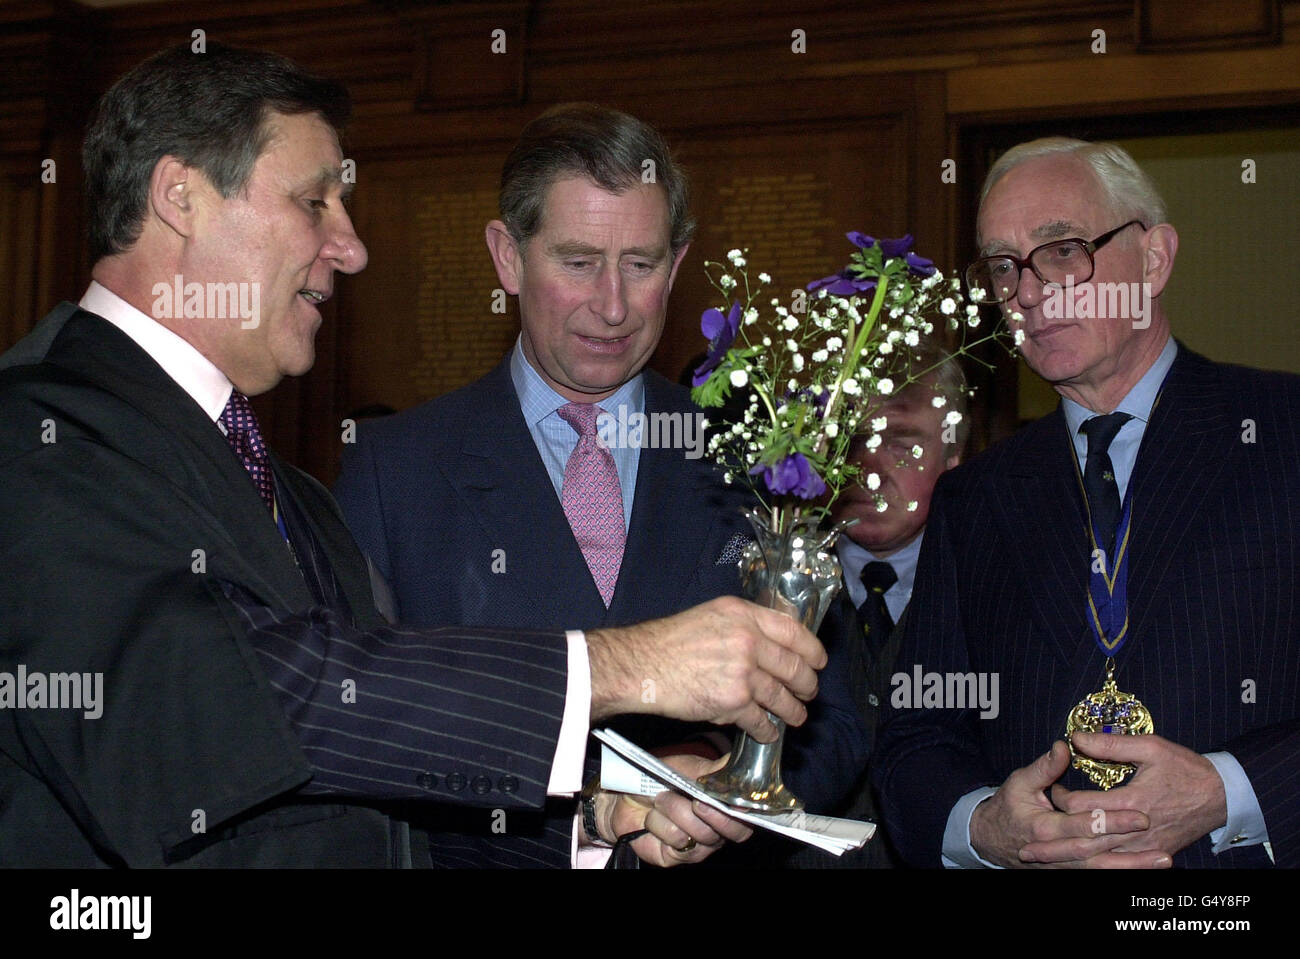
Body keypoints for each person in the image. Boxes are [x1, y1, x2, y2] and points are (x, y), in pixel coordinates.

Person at [0, 43, 828, 867]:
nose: (352, 247)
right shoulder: (39, 433)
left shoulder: (291, 490)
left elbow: (370, 774)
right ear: (180, 195)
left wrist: (601, 816)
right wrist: (623, 665)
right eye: (315, 200)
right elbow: (221, 702)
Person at [334, 103, 867, 867]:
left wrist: (727, 780)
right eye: (579, 262)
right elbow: (362, 736)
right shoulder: (396, 471)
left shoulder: (761, 463)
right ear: (508, 257)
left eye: (641, 265)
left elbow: (839, 724)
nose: (613, 306)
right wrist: (590, 811)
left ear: (678, 266)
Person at [873, 136, 1300, 869]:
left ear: (1155, 258)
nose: (1030, 292)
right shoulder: (974, 497)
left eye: (1063, 249)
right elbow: (917, 738)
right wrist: (986, 828)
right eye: (1003, 267)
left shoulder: (1283, 431)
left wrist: (1230, 790)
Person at [776, 355, 967, 868]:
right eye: (854, 440)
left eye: (903, 445)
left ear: (952, 460)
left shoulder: (988, 593)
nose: (869, 467)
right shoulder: (766, 579)